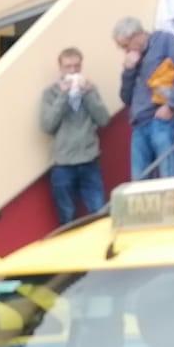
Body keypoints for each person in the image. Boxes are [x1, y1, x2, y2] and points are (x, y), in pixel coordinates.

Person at [114, 17, 174, 180]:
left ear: (136, 35)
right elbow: (126, 98)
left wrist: (171, 105)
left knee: (169, 175)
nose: (125, 51)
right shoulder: (132, 59)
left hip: (162, 119)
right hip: (138, 123)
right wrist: (128, 71)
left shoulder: (164, 40)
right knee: (139, 180)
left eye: (125, 45)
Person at [39, 46, 110, 223]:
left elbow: (103, 120)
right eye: (68, 67)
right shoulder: (50, 94)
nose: (73, 71)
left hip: (89, 159)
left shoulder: (90, 90)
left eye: (76, 67)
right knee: (67, 215)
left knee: (99, 210)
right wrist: (63, 96)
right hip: (63, 164)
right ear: (60, 69)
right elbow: (47, 126)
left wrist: (88, 94)